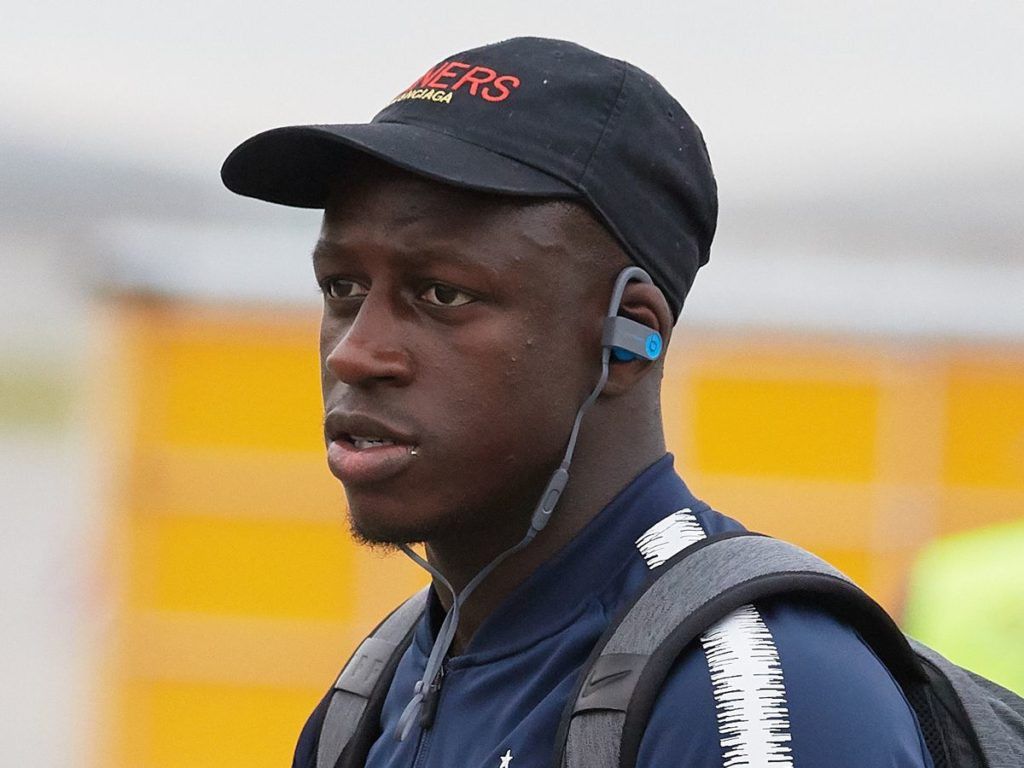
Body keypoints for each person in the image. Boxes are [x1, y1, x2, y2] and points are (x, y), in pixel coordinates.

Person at [222, 36, 933, 768]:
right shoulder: (380, 689)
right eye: (342, 287)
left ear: (629, 338)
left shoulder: (752, 692)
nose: (354, 353)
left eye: (441, 294)